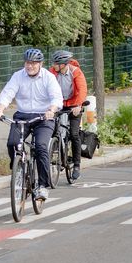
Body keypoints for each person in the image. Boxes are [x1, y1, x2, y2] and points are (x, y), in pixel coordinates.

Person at [0, 48, 64, 201]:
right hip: (22, 115)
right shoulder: (18, 76)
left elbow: (56, 97)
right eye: (27, 63)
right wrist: (0, 109)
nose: (30, 66)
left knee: (40, 147)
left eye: (33, 63)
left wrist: (52, 110)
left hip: (43, 117)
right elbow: (8, 92)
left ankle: (43, 186)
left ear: (40, 64)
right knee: (12, 143)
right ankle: (18, 170)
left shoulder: (48, 77)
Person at [49, 50, 87, 181]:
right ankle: (58, 155)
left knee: (74, 134)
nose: (53, 65)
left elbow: (82, 89)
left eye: (56, 63)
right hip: (58, 104)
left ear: (63, 64)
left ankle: (76, 165)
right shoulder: (52, 72)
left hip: (74, 104)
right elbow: (45, 87)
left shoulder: (75, 72)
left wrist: (78, 105)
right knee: (54, 131)